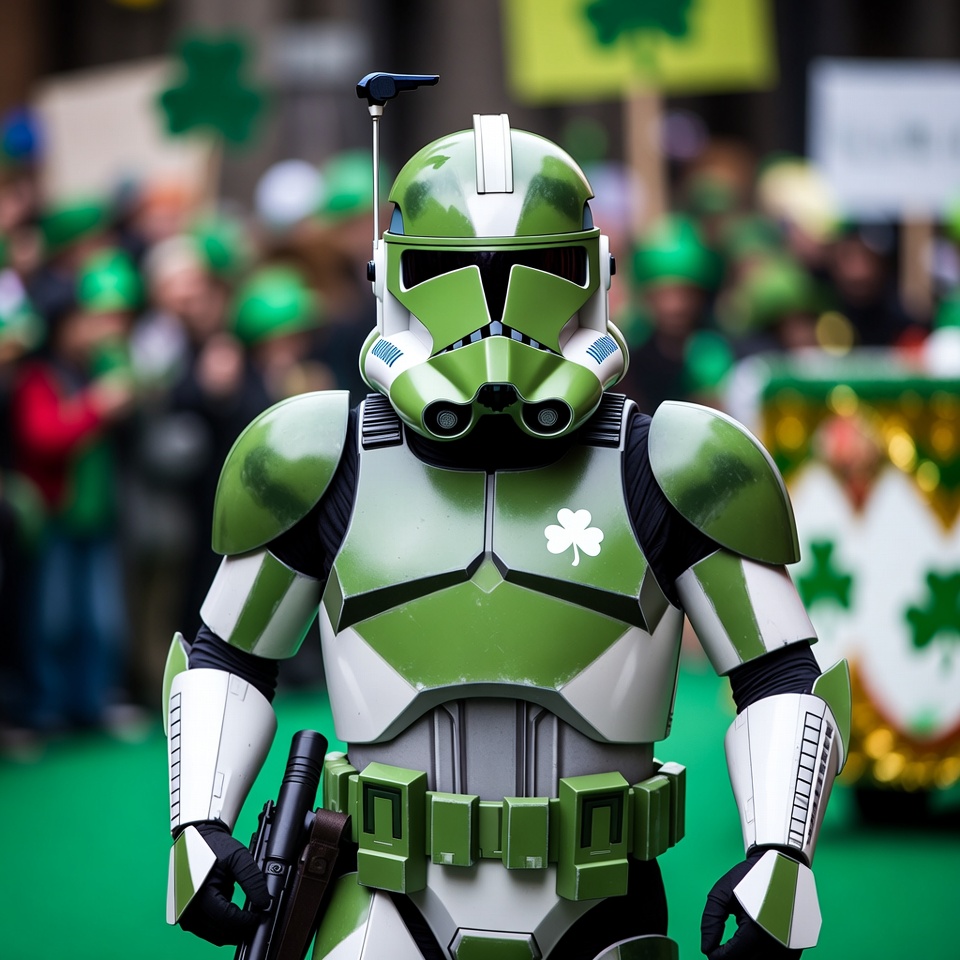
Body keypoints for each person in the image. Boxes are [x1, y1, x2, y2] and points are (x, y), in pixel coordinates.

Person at [162, 114, 849, 959]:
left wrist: (781, 852)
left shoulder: (681, 462)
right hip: (379, 899)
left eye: (539, 270)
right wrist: (198, 820)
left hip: (601, 902)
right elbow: (226, 657)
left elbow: (779, 673)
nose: (493, 320)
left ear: (592, 275)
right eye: (454, 273)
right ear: (393, 281)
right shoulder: (313, 455)